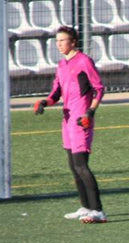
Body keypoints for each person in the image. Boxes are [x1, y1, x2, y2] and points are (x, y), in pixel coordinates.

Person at [34, 26, 107, 224]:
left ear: (73, 42)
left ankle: (98, 211)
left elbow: (99, 89)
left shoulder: (84, 61)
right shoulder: (61, 65)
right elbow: (56, 93)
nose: (59, 44)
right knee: (74, 167)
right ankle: (86, 207)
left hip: (81, 120)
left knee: (81, 165)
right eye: (57, 41)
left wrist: (90, 112)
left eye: (62, 40)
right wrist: (44, 102)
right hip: (66, 121)